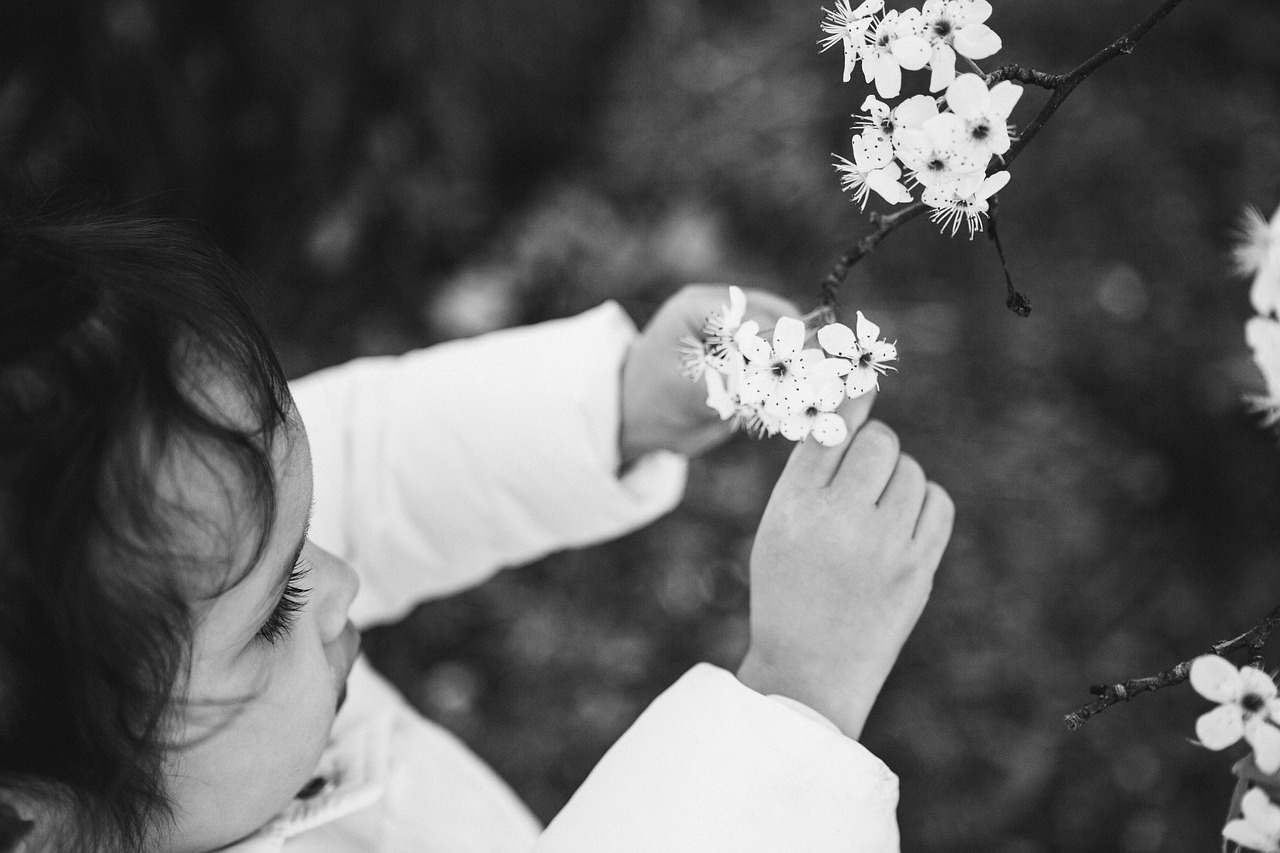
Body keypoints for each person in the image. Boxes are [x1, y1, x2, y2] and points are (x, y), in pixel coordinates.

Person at [0, 211, 953, 852]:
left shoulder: (176, 587)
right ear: (28, 817)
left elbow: (376, 462)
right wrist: (793, 706)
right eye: (273, 609)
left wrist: (610, 410)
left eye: (304, 530)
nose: (339, 579)